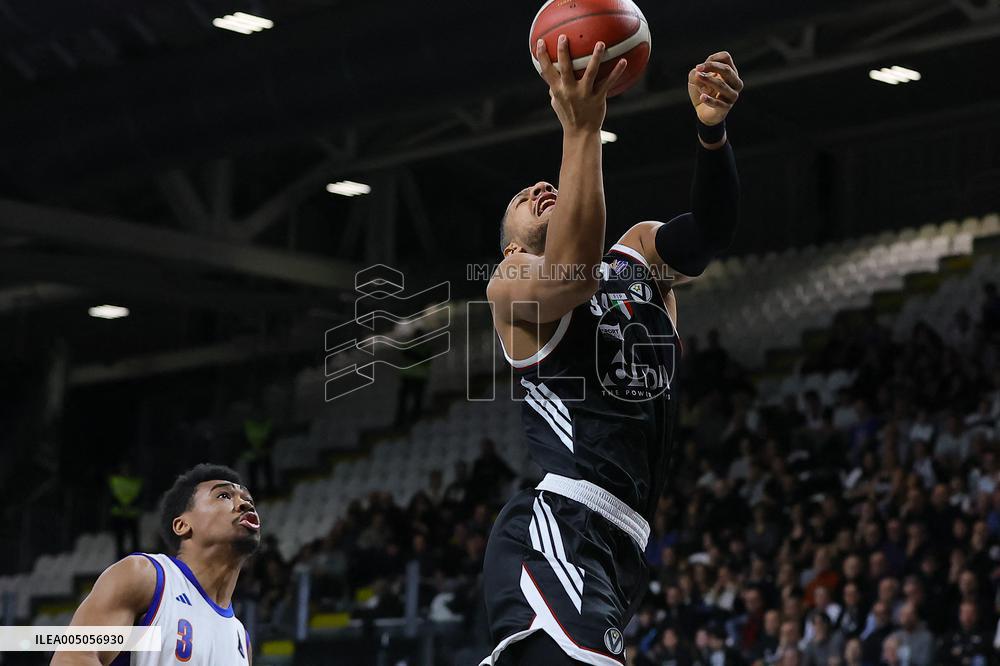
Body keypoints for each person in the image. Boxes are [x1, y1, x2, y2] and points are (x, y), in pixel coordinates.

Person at [480, 30, 742, 666]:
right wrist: (582, 128)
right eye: (523, 197)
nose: (540, 187)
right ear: (512, 244)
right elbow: (573, 270)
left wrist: (712, 134)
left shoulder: (639, 255)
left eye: (546, 185)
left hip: (625, 539)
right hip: (559, 523)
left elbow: (708, 234)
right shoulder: (509, 283)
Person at [52, 464, 260, 665]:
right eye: (223, 495)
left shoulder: (240, 638)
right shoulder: (144, 576)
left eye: (248, 499)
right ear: (182, 525)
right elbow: (73, 658)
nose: (245, 504)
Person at [108, 463, 143, 558]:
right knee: (120, 540)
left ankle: (136, 558)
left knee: (134, 539)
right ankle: (120, 559)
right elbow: (111, 496)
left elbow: (140, 496)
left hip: (132, 514)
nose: (126, 471)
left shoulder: (137, 482)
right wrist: (122, 505)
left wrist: (129, 505)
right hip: (119, 514)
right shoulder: (115, 481)